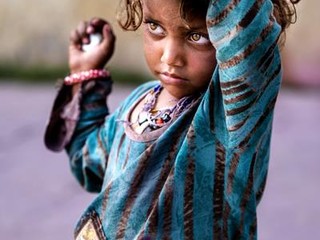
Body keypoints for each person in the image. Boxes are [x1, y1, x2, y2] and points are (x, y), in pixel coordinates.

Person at [44, 0, 300, 239]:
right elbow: (86, 164)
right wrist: (85, 75)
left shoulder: (229, 113)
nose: (169, 57)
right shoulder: (137, 103)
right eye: (155, 27)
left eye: (197, 36)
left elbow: (245, 37)